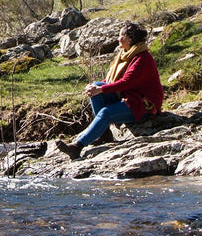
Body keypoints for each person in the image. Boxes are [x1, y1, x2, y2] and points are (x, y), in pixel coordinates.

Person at [56, 21, 163, 160]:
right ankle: (104, 133)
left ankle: (77, 147)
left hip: (143, 105)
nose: (118, 39)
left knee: (105, 112)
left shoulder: (143, 58)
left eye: (121, 36)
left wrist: (101, 89)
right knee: (96, 86)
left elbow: (127, 82)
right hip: (130, 96)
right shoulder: (126, 55)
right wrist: (96, 87)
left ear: (129, 39)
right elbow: (114, 81)